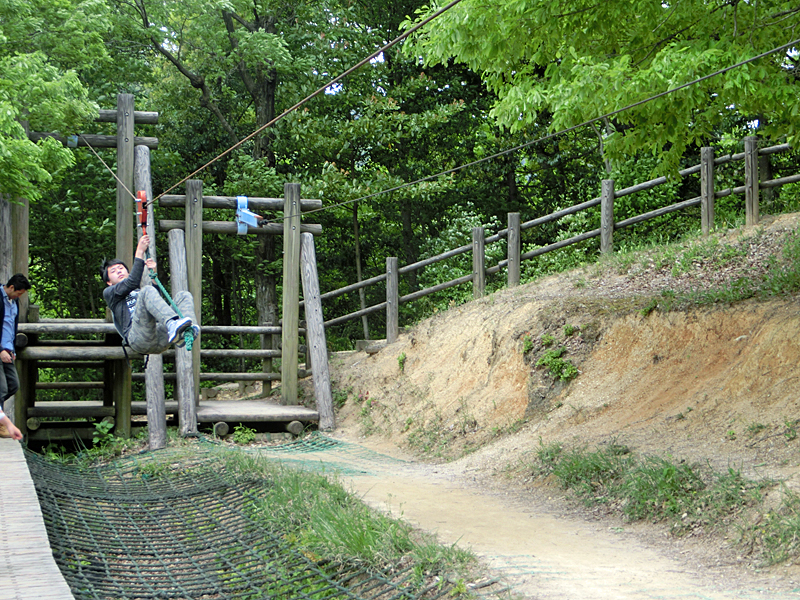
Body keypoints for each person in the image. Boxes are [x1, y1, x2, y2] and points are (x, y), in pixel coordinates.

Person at [102, 234, 198, 355]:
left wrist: (154, 277)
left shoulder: (139, 291)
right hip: (138, 339)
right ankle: (172, 324)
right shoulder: (110, 293)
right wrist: (140, 252)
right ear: (109, 282)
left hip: (161, 337)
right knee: (146, 290)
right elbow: (132, 282)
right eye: (113, 271)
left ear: (127, 271)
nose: (119, 271)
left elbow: (157, 306)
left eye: (121, 268)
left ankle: (185, 332)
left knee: (184, 295)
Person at [0, 274, 29, 440]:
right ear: (11, 288)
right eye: (18, 293)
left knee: (13, 385)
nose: (19, 296)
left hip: (9, 349)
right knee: (1, 388)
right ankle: (2, 425)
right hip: (0, 350)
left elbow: (12, 326)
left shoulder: (14, 301)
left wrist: (12, 350)